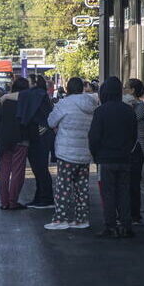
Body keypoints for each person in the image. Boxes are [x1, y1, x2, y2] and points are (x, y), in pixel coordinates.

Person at [45, 77, 97, 230]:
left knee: (63, 186)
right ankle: (82, 219)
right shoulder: (91, 105)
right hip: (85, 151)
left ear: (68, 88)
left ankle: (61, 218)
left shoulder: (64, 104)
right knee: (82, 187)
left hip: (67, 152)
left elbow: (50, 122)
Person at [88, 77, 137, 238]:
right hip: (124, 158)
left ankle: (110, 225)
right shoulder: (128, 110)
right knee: (124, 192)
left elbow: (94, 137)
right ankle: (126, 224)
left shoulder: (100, 111)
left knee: (108, 193)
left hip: (105, 158)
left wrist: (96, 155)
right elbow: (133, 135)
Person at [18, 75, 55, 209]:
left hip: (40, 136)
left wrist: (5, 97)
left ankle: (46, 198)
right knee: (38, 168)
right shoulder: (39, 95)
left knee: (40, 168)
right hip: (38, 135)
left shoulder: (37, 94)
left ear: (33, 84)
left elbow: (22, 95)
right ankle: (40, 196)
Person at [0, 78, 31, 210]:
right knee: (17, 172)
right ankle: (13, 201)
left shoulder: (5, 101)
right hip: (20, 140)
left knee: (4, 172)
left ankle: (4, 202)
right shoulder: (26, 101)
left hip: (4, 140)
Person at [123, 79, 144, 225]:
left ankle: (135, 215)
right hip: (127, 146)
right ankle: (127, 213)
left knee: (134, 183)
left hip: (137, 146)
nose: (124, 90)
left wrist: (127, 105)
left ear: (132, 90)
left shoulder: (141, 106)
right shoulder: (128, 104)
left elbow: (131, 119)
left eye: (126, 87)